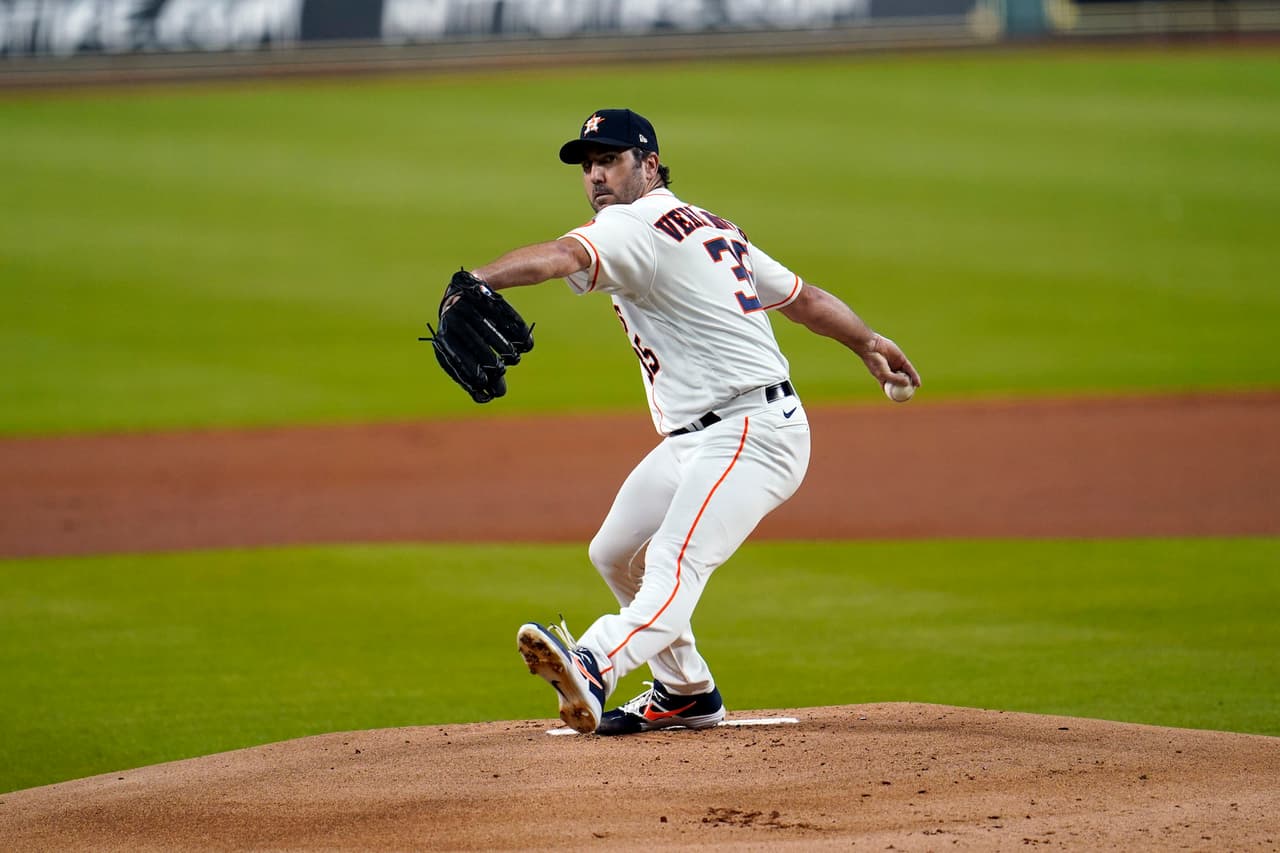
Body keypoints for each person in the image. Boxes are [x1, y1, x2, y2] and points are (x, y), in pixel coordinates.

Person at [471, 108, 921, 735]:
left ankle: (595, 660)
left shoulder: (633, 226)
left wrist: (475, 280)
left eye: (610, 159)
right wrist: (867, 340)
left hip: (752, 433)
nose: (596, 175)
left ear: (649, 165)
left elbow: (557, 256)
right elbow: (805, 300)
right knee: (615, 551)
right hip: (704, 436)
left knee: (673, 562)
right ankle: (685, 691)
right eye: (588, 164)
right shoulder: (709, 224)